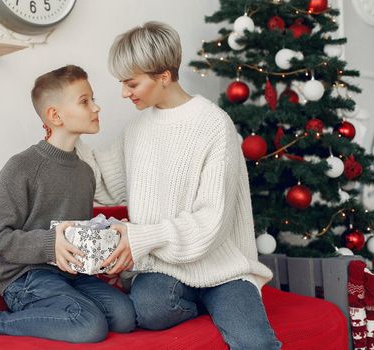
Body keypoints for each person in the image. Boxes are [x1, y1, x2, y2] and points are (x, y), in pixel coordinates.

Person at [77, 22, 281, 350]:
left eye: (131, 83)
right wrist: (69, 137)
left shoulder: (214, 125)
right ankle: (201, 306)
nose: (124, 93)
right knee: (150, 310)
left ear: (164, 76)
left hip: (223, 268)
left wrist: (139, 236)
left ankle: (217, 302)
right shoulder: (137, 128)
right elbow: (104, 185)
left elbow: (211, 223)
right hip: (165, 267)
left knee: (255, 342)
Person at [0, 65, 136, 342]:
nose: (96, 108)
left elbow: (77, 233)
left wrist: (103, 246)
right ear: (55, 115)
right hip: (25, 277)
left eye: (93, 99)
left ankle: (68, 309)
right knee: (89, 326)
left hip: (72, 275)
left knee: (125, 317)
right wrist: (50, 244)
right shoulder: (21, 167)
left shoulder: (85, 172)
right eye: (85, 101)